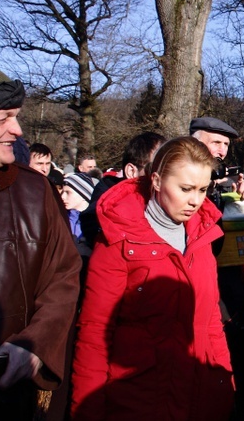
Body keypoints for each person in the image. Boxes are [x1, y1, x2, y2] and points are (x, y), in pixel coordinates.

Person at [69, 136, 234, 420]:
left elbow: (210, 324)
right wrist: (87, 409)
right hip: (137, 401)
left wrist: (225, 385)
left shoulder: (202, 237)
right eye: (185, 189)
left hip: (197, 396)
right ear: (156, 181)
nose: (195, 201)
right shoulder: (117, 240)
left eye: (203, 189)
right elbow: (95, 333)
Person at [0, 48, 81, 419]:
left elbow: (63, 278)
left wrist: (35, 345)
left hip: (10, 399)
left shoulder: (34, 191)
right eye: (3, 119)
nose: (17, 131)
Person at [80, 131, 166, 249]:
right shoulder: (103, 223)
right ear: (131, 171)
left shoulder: (171, 206)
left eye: (169, 168)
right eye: (155, 169)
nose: (164, 177)